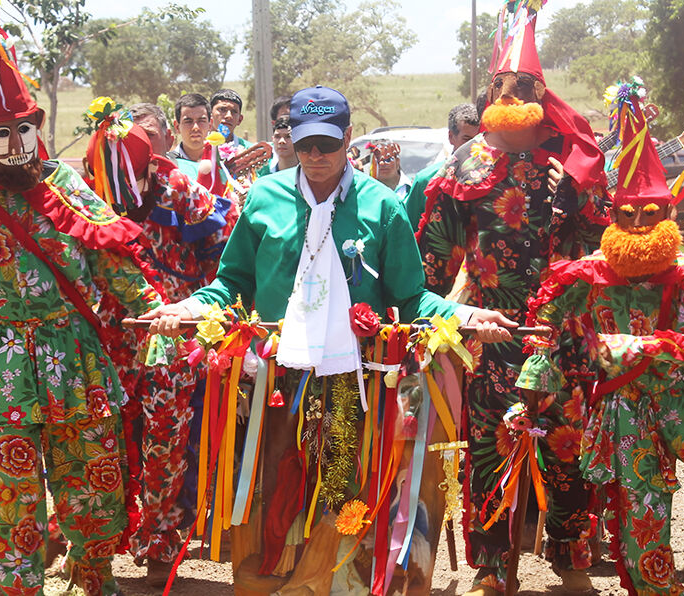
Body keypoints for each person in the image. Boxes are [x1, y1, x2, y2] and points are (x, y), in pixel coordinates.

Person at [140, 84, 518, 593]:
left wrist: (467, 315)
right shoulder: (263, 199)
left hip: (360, 383)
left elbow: (412, 299)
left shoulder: (382, 206)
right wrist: (185, 309)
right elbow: (231, 285)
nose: (316, 156)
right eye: (305, 145)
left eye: (328, 144)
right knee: (275, 492)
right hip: (277, 382)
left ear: (349, 137)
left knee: (348, 494)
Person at [0, 8, 174, 595]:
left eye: (25, 129)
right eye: (1, 132)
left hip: (75, 360)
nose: (16, 143)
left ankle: (96, 579)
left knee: (96, 491)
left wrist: (153, 309)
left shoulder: (66, 186)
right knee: (13, 504)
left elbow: (112, 258)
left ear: (39, 127)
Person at [517, 96, 684, 595]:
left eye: (650, 212)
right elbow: (546, 328)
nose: (639, 223)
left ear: (669, 212)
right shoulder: (589, 272)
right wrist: (532, 382)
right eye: (628, 213)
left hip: (680, 396)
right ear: (614, 215)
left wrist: (639, 348)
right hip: (625, 409)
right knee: (644, 531)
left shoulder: (683, 273)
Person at [414, 7, 609, 594]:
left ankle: (572, 561)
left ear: (542, 94)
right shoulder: (463, 164)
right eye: (505, 85)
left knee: (568, 447)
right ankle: (494, 568)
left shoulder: (571, 161)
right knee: (489, 448)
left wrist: (579, 204)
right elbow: (435, 257)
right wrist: (434, 320)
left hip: (561, 332)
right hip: (491, 333)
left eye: (526, 86)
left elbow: (603, 245)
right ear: (490, 92)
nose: (514, 95)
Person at [84, 101, 238, 586]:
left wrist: (203, 313)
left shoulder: (177, 187)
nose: (141, 145)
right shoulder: (91, 189)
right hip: (109, 339)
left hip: (171, 338)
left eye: (150, 136)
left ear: (164, 141)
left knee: (167, 443)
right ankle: (94, 543)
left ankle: (161, 547)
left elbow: (224, 247)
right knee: (106, 440)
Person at [403, 102, 480, 230]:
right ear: (451, 137)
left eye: (479, 139)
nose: (474, 146)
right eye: (467, 139)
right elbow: (409, 232)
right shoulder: (426, 180)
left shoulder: (493, 179)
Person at [169, 92, 212, 164]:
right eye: (188, 121)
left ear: (210, 125)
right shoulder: (168, 165)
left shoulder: (221, 162)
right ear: (177, 127)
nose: (195, 127)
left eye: (201, 121)